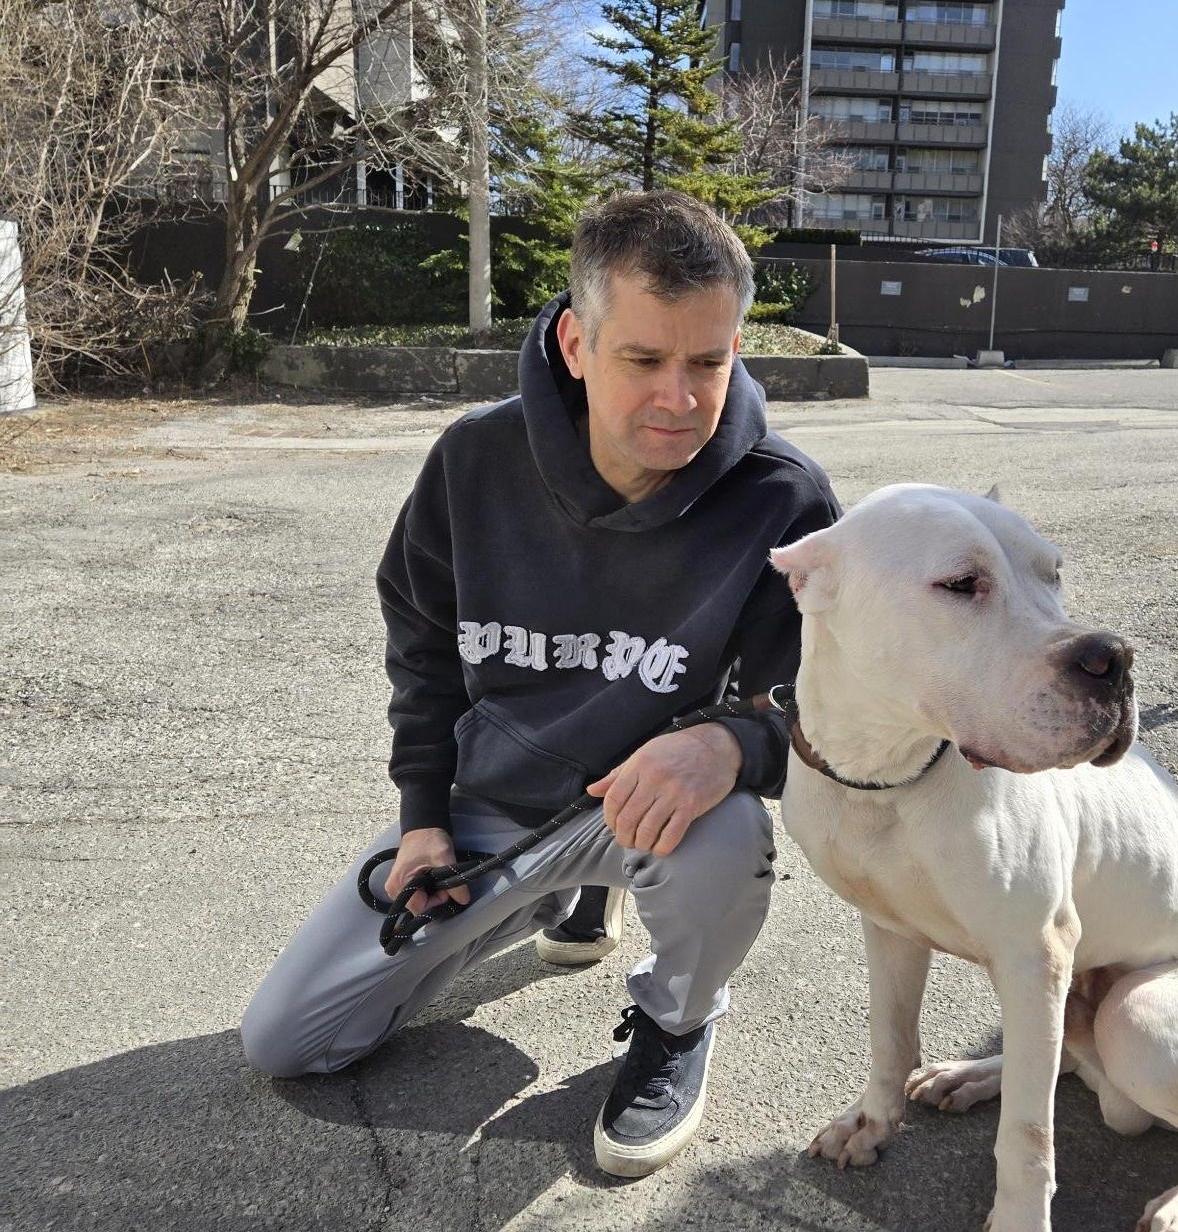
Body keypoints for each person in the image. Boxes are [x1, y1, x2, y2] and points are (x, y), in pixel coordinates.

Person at [240, 190, 839, 1177]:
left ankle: (679, 1021)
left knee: (732, 832)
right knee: (288, 1042)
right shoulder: (474, 459)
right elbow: (424, 649)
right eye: (643, 359)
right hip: (494, 805)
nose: (680, 398)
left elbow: (829, 709)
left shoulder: (785, 498)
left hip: (649, 807)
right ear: (575, 343)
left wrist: (733, 743)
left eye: (708, 362)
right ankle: (553, 899)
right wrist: (423, 817)